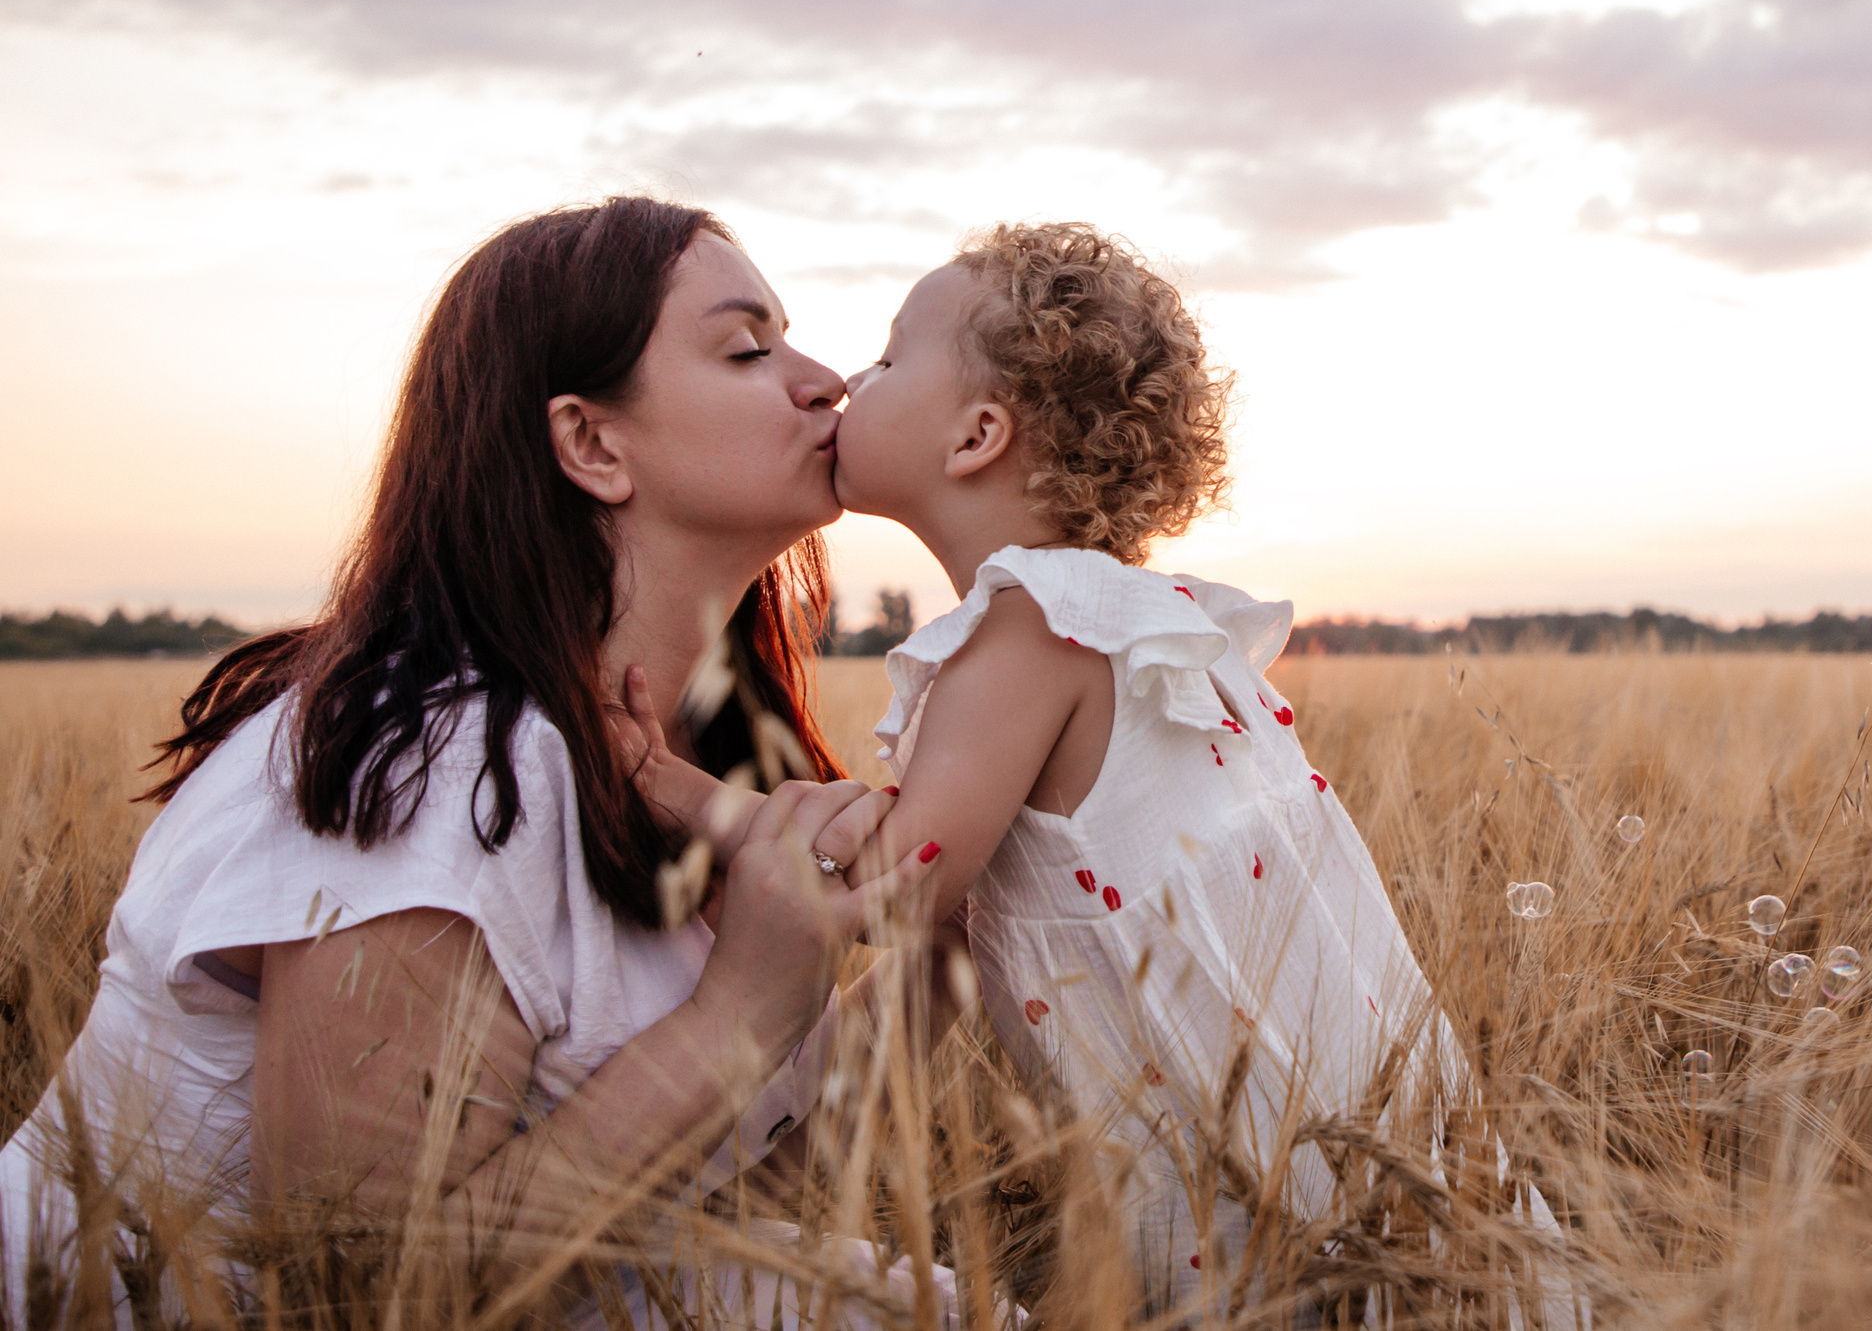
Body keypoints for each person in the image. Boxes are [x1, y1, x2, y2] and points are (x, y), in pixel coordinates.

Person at [0, 197, 945, 1327]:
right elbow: (352, 1283)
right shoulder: (439, 763)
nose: (823, 379)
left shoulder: (691, 754)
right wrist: (737, 1012)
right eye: (747, 348)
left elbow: (709, 1209)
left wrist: (937, 960)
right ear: (592, 444)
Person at [822, 222, 1569, 1313]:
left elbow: (904, 886)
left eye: (887, 358)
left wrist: (675, 792)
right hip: (1298, 1144)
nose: (851, 378)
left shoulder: (1037, 630)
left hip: (1220, 1180)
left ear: (978, 434)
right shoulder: (1148, 622)